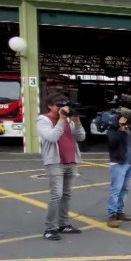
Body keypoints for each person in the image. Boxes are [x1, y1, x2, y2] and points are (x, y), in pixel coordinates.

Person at [38, 94, 86, 240]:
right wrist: (61, 119)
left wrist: (76, 122)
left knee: (66, 194)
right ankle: (50, 228)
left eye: (65, 105)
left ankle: (63, 224)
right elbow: (52, 137)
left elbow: (80, 137)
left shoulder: (69, 121)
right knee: (56, 195)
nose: (62, 108)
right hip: (55, 162)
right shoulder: (43, 120)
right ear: (50, 106)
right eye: (59, 105)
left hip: (70, 161)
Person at [106, 107, 131, 228]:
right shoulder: (113, 130)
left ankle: (119, 211)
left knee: (125, 189)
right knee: (116, 189)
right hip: (119, 163)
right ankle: (112, 215)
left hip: (130, 162)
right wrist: (121, 129)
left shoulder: (130, 130)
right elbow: (113, 143)